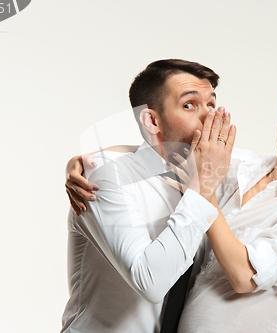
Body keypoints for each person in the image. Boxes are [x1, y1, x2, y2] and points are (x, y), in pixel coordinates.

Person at [66, 69, 277, 332]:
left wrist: (203, 189)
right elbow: (168, 151)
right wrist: (88, 161)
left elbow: (244, 276)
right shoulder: (237, 167)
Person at [60, 59, 237, 333]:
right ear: (152, 120)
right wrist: (203, 187)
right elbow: (150, 282)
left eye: (211, 105)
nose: (208, 118)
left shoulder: (213, 178)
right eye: (189, 105)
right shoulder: (105, 176)